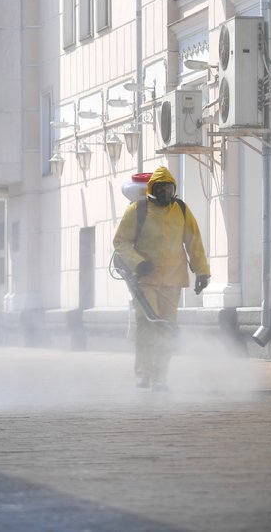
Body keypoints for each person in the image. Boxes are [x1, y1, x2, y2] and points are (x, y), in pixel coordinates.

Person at [113, 166, 210, 392]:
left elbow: (194, 242)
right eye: (161, 188)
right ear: (152, 189)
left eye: (169, 188)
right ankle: (144, 373)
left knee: (167, 328)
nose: (166, 192)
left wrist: (202, 271)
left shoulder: (181, 210)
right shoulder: (139, 210)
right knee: (148, 325)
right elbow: (121, 242)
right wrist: (138, 262)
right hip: (145, 280)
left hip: (173, 280)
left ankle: (160, 376)